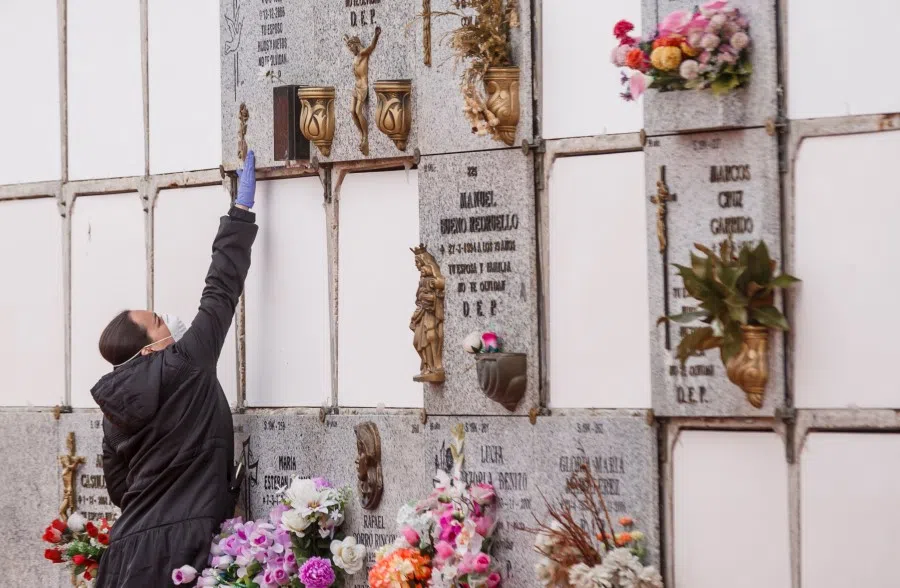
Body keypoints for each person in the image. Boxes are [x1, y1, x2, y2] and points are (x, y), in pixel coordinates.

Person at [91, 151, 258, 587]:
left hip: (127, 553)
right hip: (185, 550)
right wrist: (240, 213)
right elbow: (220, 289)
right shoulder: (186, 361)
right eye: (159, 322)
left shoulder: (113, 411)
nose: (170, 323)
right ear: (146, 350)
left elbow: (120, 491)